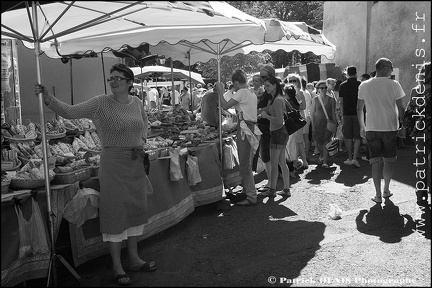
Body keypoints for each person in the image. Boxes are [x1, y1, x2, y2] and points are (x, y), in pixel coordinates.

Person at [34, 63, 156, 286]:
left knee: (135, 208)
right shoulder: (100, 103)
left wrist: (143, 140)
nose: (114, 81)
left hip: (135, 162)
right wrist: (49, 98)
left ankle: (135, 259)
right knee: (115, 211)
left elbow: (144, 121)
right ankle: (118, 267)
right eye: (111, 78)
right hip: (113, 164)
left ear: (130, 82)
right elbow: (70, 112)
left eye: (119, 78)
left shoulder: (137, 102)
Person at [357, 57, 406, 203]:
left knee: (375, 162)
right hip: (390, 127)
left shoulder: (364, 85)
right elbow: (401, 108)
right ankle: (386, 190)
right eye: (391, 68)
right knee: (389, 161)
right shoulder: (394, 84)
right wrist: (403, 126)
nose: (391, 70)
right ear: (384, 68)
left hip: (371, 127)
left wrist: (362, 126)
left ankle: (377, 195)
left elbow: (359, 108)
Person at [215, 69, 260, 206]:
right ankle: (248, 190)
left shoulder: (241, 92)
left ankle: (251, 196)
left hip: (245, 128)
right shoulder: (251, 93)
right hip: (250, 127)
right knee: (247, 162)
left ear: (235, 82)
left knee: (245, 164)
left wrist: (220, 91)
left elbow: (224, 105)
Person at [259, 76, 291, 197]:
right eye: (265, 85)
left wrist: (266, 116)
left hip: (278, 132)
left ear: (274, 86)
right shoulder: (277, 98)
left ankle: (272, 190)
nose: (265, 88)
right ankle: (286, 189)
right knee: (282, 162)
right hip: (280, 132)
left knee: (274, 164)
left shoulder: (277, 100)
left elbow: (278, 120)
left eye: (267, 85)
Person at [404, 62, 431, 202]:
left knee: (421, 162)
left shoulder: (416, 90)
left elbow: (409, 111)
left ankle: (421, 195)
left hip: (420, 130)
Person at [254, 65, 276, 193]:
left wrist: (255, 111)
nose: (261, 79)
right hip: (264, 125)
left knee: (267, 155)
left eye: (263, 77)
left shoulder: (271, 92)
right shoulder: (267, 90)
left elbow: (268, 108)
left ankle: (271, 184)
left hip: (267, 126)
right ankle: (270, 182)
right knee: (266, 155)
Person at [310, 80, 337, 168]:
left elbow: (333, 112)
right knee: (319, 142)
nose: (324, 89)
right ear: (318, 89)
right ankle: (322, 156)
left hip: (328, 123)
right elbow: (312, 113)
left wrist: (335, 124)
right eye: (322, 88)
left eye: (325, 87)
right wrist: (313, 125)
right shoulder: (315, 99)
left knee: (326, 141)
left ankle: (325, 161)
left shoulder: (332, 99)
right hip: (318, 123)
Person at [339, 65, 362, 168]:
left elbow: (341, 101)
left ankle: (349, 157)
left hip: (347, 114)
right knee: (357, 136)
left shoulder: (342, 85)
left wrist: (342, 114)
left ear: (347, 73)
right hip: (358, 113)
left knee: (348, 136)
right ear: (356, 73)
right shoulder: (360, 85)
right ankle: (355, 157)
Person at [285, 74, 308, 168]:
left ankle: (304, 161)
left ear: (299, 82)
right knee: (294, 142)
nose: (292, 82)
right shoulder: (288, 91)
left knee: (299, 141)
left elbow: (303, 107)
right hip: (292, 119)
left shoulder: (300, 92)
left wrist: (295, 103)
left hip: (298, 118)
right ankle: (295, 161)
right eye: (290, 80)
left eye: (294, 80)